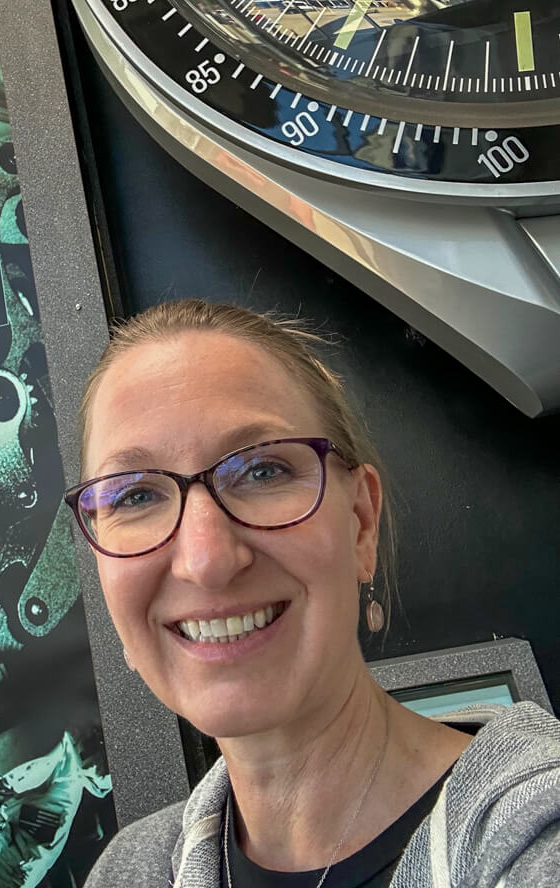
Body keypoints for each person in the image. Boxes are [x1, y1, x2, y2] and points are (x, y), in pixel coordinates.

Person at [67, 300, 560, 888]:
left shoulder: (538, 839)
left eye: (263, 472)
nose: (207, 561)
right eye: (134, 496)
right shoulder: (129, 873)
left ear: (360, 523)